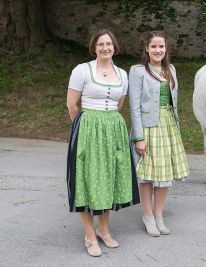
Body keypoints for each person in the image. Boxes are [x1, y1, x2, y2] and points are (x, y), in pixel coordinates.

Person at [66, 29, 140, 257]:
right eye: (101, 44)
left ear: (114, 47)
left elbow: (119, 104)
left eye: (109, 44)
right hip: (88, 128)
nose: (105, 48)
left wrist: (108, 123)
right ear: (94, 47)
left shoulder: (122, 73)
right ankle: (90, 234)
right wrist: (86, 126)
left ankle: (104, 229)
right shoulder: (82, 70)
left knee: (108, 178)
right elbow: (72, 104)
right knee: (87, 180)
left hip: (114, 129)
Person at [128, 31, 189, 237]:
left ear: (166, 48)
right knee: (147, 175)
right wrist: (139, 137)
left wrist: (177, 129)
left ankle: (159, 215)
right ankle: (147, 215)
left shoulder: (170, 69)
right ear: (146, 48)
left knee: (165, 175)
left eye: (161, 46)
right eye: (153, 46)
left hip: (169, 125)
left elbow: (175, 102)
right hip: (148, 127)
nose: (158, 50)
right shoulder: (138, 71)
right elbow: (134, 106)